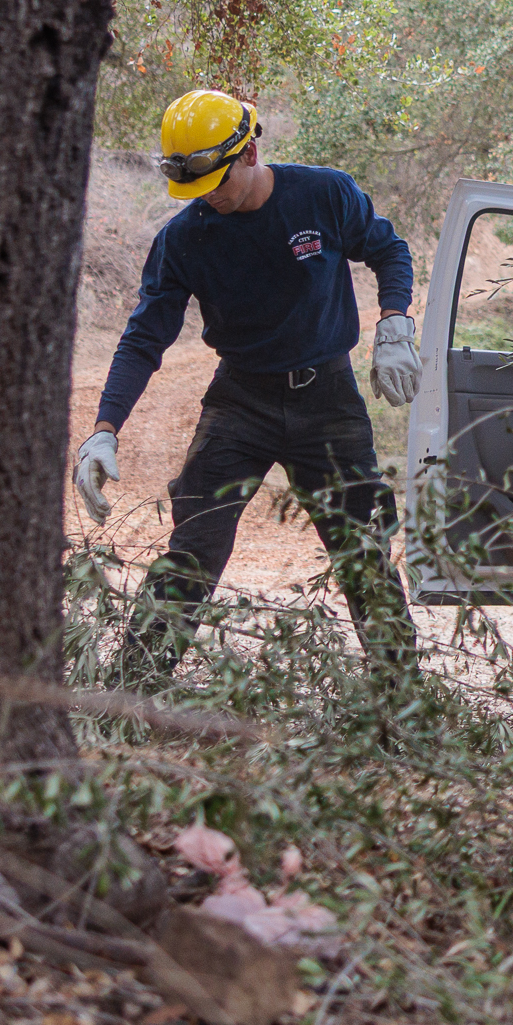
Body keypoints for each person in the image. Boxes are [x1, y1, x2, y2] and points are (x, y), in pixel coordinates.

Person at [70, 89, 427, 684]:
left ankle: (402, 698)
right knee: (194, 547)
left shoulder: (323, 194)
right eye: (196, 187)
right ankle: (132, 688)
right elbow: (143, 338)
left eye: (217, 181)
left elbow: (389, 251)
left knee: (363, 549)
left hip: (329, 398)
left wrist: (394, 319)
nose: (210, 196)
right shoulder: (184, 238)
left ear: (250, 152)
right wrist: (104, 429)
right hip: (241, 402)